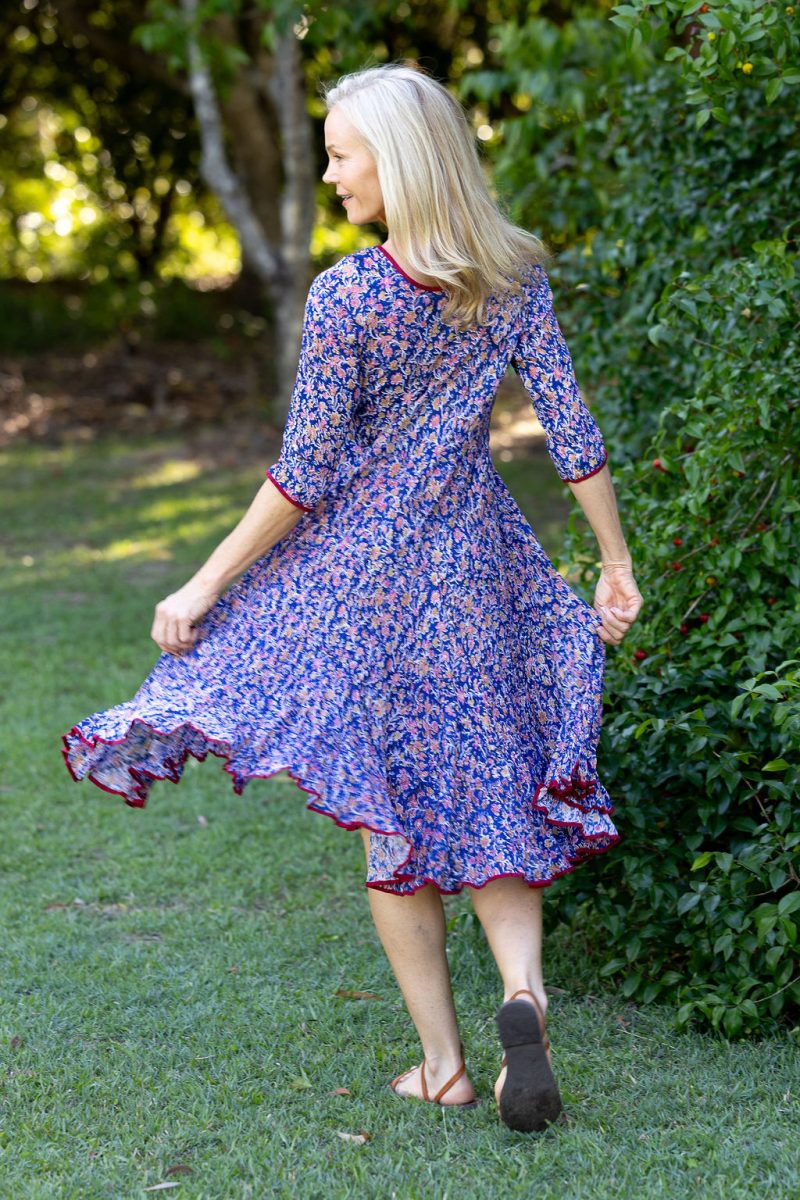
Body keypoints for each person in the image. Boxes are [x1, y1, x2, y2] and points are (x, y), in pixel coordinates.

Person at [62, 62, 643, 1133]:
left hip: (367, 586)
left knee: (391, 815)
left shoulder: (349, 296)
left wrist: (200, 583)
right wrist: (612, 564)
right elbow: (571, 434)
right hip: (478, 569)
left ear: (400, 158)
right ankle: (524, 996)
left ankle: (443, 1066)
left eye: (341, 153)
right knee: (490, 783)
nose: (330, 175)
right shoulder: (511, 276)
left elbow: (301, 476)